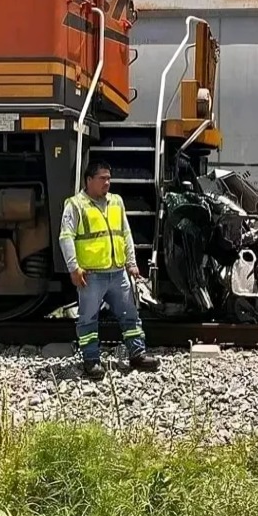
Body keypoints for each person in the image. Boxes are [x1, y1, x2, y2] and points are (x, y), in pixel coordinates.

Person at [59, 160, 160, 380]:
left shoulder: (116, 202)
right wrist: (73, 268)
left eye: (109, 178)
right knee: (88, 319)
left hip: (117, 273)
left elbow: (125, 233)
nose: (107, 182)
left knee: (130, 315)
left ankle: (137, 354)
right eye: (102, 178)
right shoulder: (75, 205)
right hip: (91, 275)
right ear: (89, 180)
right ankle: (91, 360)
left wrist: (131, 263)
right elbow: (65, 237)